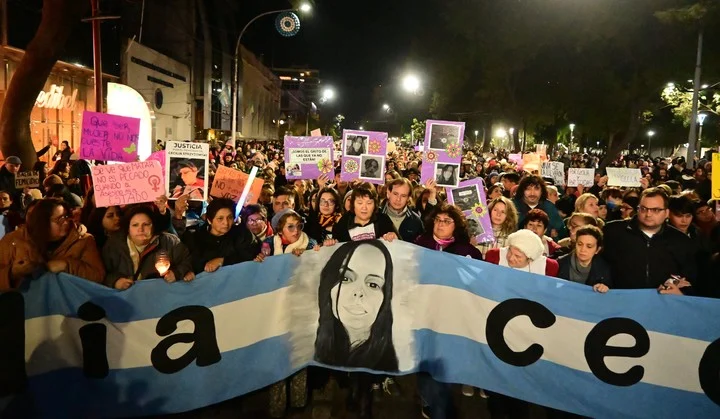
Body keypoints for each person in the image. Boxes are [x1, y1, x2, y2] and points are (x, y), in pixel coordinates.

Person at [0, 199, 105, 290]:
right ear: (42, 222)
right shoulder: (13, 240)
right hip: (26, 307)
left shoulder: (83, 240)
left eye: (66, 216)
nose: (65, 222)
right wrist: (12, 273)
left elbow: (98, 275)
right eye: (59, 219)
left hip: (68, 306)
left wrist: (66, 265)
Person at [602, 188, 696, 289]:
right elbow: (599, 265)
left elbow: (691, 278)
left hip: (663, 301)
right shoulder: (612, 231)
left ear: (666, 213)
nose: (648, 214)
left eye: (656, 210)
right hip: (619, 299)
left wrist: (682, 291)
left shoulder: (681, 241)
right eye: (643, 209)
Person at [103, 205, 193, 289]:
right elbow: (104, 273)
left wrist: (176, 273)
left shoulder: (169, 242)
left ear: (153, 226)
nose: (140, 229)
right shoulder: (113, 245)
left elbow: (187, 261)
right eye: (135, 225)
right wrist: (116, 282)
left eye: (146, 224)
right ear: (128, 228)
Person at [184, 198, 259, 274]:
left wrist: (223, 261)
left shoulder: (242, 234)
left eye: (229, 217)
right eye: (220, 218)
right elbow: (191, 264)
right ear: (210, 220)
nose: (226, 223)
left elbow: (252, 254)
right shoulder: (195, 238)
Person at [332, 185, 398, 243]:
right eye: (360, 203)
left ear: (375, 204)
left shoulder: (384, 221)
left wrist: (393, 238)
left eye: (369, 203)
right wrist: (331, 243)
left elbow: (399, 246)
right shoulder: (344, 222)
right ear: (353, 204)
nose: (364, 208)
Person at [557, 225, 612, 291]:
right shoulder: (559, 263)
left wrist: (604, 288)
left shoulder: (604, 268)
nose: (583, 249)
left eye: (589, 246)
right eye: (580, 244)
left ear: (597, 250)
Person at [485, 229, 559, 276]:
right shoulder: (494, 256)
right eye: (509, 251)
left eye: (517, 256)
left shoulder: (548, 267)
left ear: (530, 259)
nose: (511, 258)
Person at [381, 178, 428, 243]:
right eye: (395, 194)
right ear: (388, 193)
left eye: (403, 196)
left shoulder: (416, 221)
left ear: (408, 198)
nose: (398, 199)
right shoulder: (376, 216)